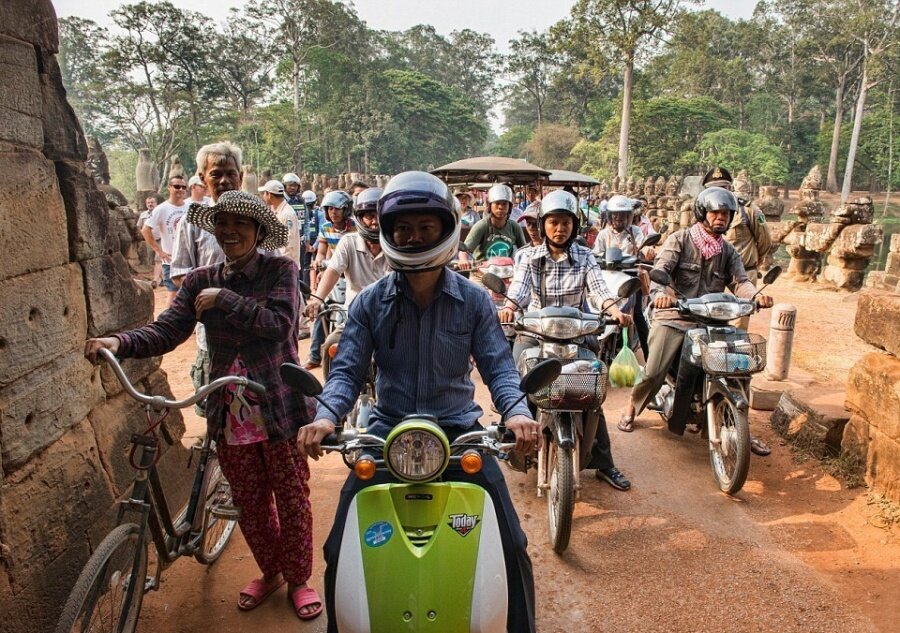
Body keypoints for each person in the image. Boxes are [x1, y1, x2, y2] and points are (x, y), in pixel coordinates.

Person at [297, 171, 540, 633]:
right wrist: (326, 416)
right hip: (386, 433)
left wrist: (517, 412)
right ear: (387, 232)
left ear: (445, 229)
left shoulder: (473, 300)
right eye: (403, 228)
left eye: (425, 228)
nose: (413, 237)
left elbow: (499, 367)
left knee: (512, 544)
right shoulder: (368, 303)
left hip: (459, 434)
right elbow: (347, 370)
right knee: (336, 548)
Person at [84, 190, 323, 621]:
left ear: (257, 232)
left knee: (291, 499)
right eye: (222, 223)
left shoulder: (281, 270)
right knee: (249, 505)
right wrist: (119, 342)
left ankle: (300, 579)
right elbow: (167, 330)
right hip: (229, 414)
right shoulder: (198, 279)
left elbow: (280, 325)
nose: (229, 231)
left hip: (280, 408)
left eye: (240, 225)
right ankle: (271, 572)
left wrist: (225, 300)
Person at [500, 189, 634, 492]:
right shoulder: (530, 257)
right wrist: (509, 308)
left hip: (576, 332)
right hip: (535, 333)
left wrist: (614, 310)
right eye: (553, 222)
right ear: (543, 224)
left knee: (590, 389)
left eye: (566, 223)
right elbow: (519, 291)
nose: (560, 229)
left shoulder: (585, 255)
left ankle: (604, 463)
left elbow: (598, 289)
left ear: (575, 225)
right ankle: (513, 440)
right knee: (518, 379)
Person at [617, 187, 774, 437]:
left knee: (739, 365)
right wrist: (659, 296)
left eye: (726, 213)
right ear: (703, 212)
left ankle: (740, 426)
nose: (721, 217)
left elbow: (740, 281)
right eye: (716, 212)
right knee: (654, 370)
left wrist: (755, 296)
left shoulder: (728, 251)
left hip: (712, 320)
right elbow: (661, 271)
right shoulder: (680, 239)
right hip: (676, 317)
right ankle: (632, 407)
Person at [703, 166, 773, 329]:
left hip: (743, 272)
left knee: (739, 322)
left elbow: (765, 241)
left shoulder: (749, 211)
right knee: (706, 315)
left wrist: (754, 261)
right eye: (714, 189)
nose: (719, 193)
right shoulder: (702, 212)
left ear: (730, 188)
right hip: (711, 271)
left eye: (724, 188)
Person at [593, 195, 652, 360]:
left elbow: (644, 246)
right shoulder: (604, 234)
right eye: (616, 215)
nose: (619, 218)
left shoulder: (635, 232)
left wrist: (647, 250)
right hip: (609, 278)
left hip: (630, 277)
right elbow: (595, 254)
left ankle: (649, 358)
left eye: (623, 215)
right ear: (610, 216)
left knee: (639, 314)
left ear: (629, 216)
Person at [305, 189, 354, 369]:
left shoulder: (356, 228)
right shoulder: (326, 228)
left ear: (346, 210)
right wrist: (318, 263)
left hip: (351, 277)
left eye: (337, 209)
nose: (333, 212)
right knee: (321, 311)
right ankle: (314, 355)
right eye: (329, 209)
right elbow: (321, 252)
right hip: (333, 277)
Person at [141, 175, 189, 304]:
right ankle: (169, 323)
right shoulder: (161, 209)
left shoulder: (190, 206)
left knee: (191, 294)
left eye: (183, 187)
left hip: (190, 259)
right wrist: (159, 251)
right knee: (173, 294)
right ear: (169, 187)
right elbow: (145, 230)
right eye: (177, 186)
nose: (180, 189)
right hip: (171, 259)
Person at [459, 183, 526, 266]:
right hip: (482, 271)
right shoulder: (481, 226)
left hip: (507, 271)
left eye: (504, 204)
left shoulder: (514, 227)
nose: (501, 207)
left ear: (510, 207)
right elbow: (465, 250)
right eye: (497, 203)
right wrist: (463, 260)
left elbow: (524, 250)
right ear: (490, 206)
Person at [260, 179, 303, 269]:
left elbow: (287, 243)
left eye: (264, 193)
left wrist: (277, 261)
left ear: (270, 195)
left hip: (286, 266)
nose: (262, 196)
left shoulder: (287, 214)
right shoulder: (273, 210)